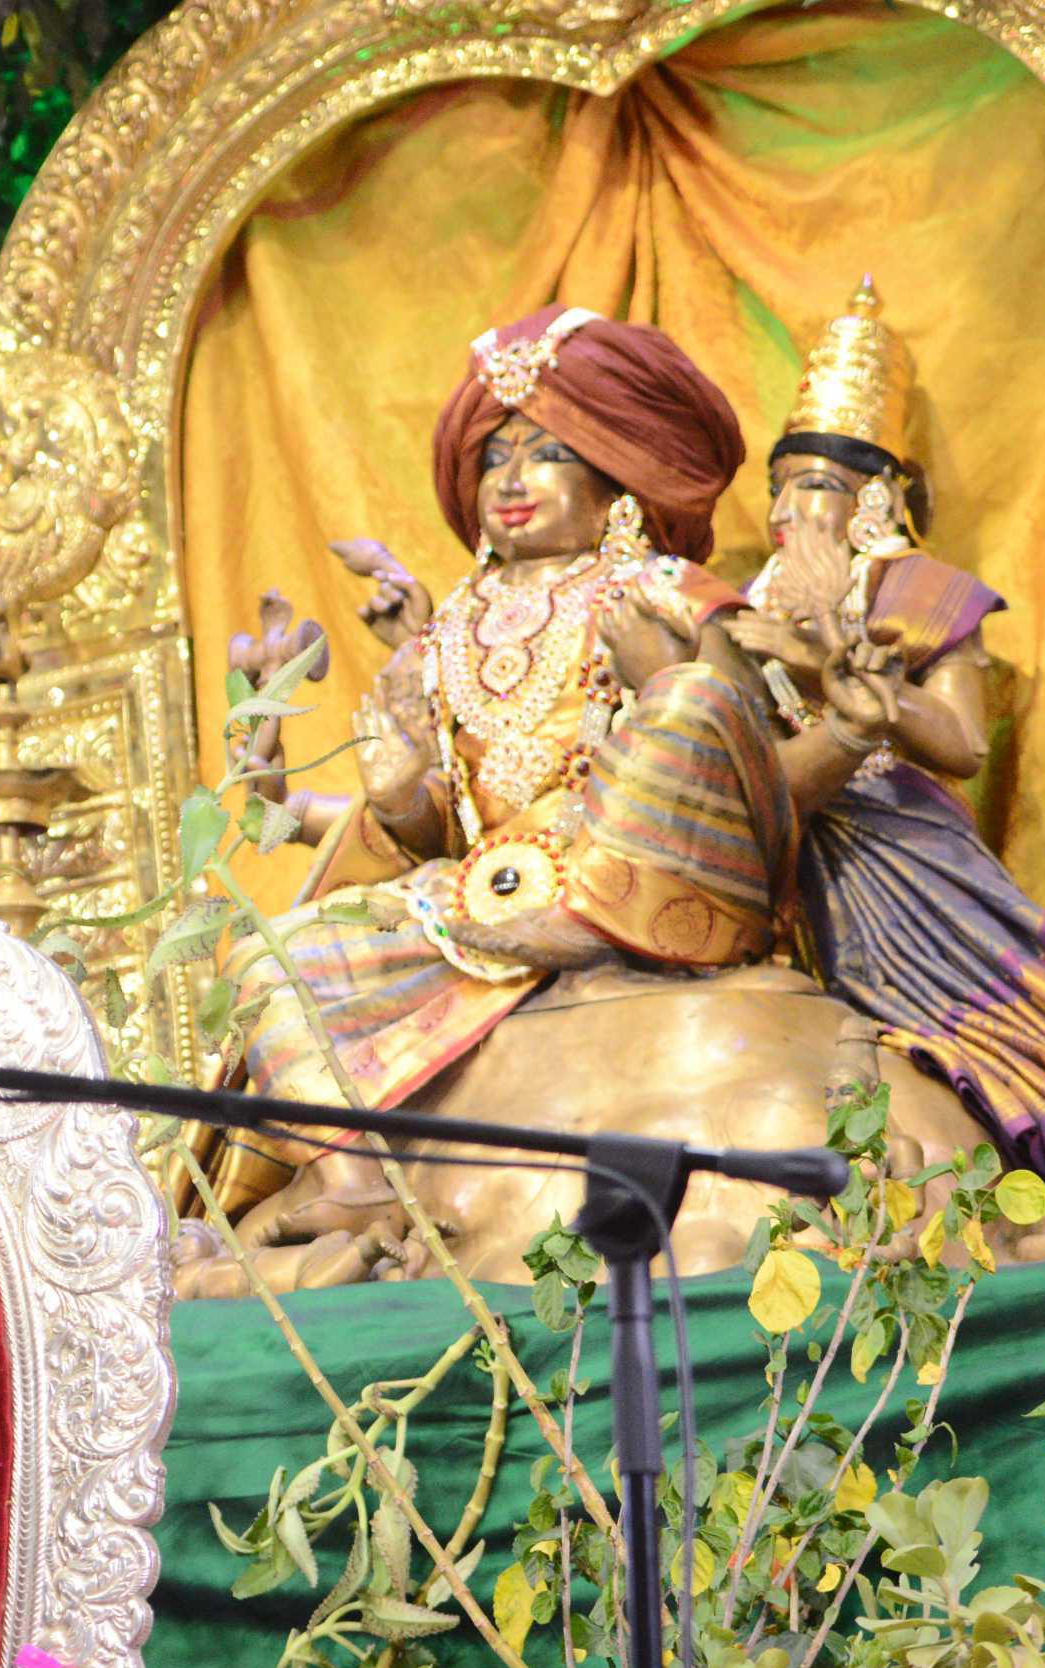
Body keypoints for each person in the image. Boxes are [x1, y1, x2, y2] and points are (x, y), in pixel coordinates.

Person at [208, 306, 834, 1274]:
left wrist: (663, 680)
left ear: (615, 479)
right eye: (496, 456)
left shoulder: (669, 587)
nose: (509, 479)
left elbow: (745, 745)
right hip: (479, 897)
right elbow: (445, 827)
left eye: (547, 454)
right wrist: (401, 795)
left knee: (693, 699)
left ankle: (598, 920)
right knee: (269, 959)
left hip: (642, 864)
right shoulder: (453, 624)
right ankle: (351, 1179)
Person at [723, 278, 1045, 1191]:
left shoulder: (920, 590)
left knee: (984, 1019)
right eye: (778, 488)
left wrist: (848, 675)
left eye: (816, 486)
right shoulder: (743, 605)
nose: (788, 511)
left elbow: (960, 741)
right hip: (785, 854)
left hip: (903, 849)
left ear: (878, 496)